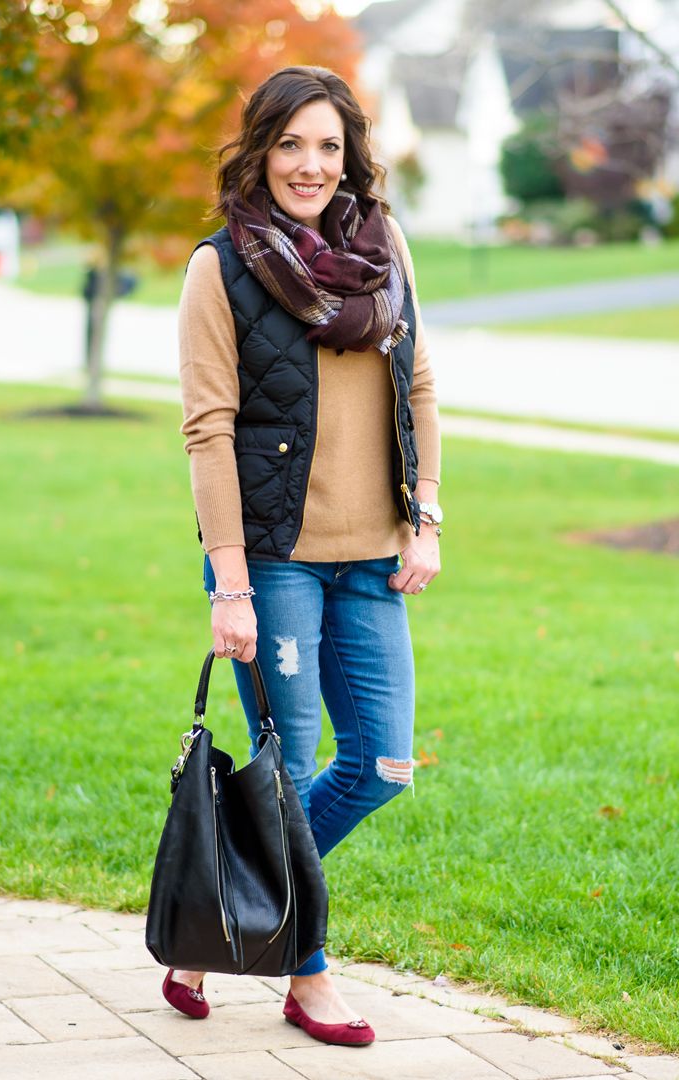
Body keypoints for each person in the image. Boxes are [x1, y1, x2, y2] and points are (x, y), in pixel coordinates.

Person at [164, 64, 442, 1048]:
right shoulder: (220, 267)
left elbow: (418, 386)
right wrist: (231, 583)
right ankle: (305, 972)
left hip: (373, 560)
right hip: (273, 561)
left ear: (351, 155)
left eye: (328, 145)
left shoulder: (384, 246)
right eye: (290, 143)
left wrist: (427, 516)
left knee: (383, 765)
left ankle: (211, 920)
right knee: (288, 774)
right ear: (260, 151)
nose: (310, 165)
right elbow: (208, 430)